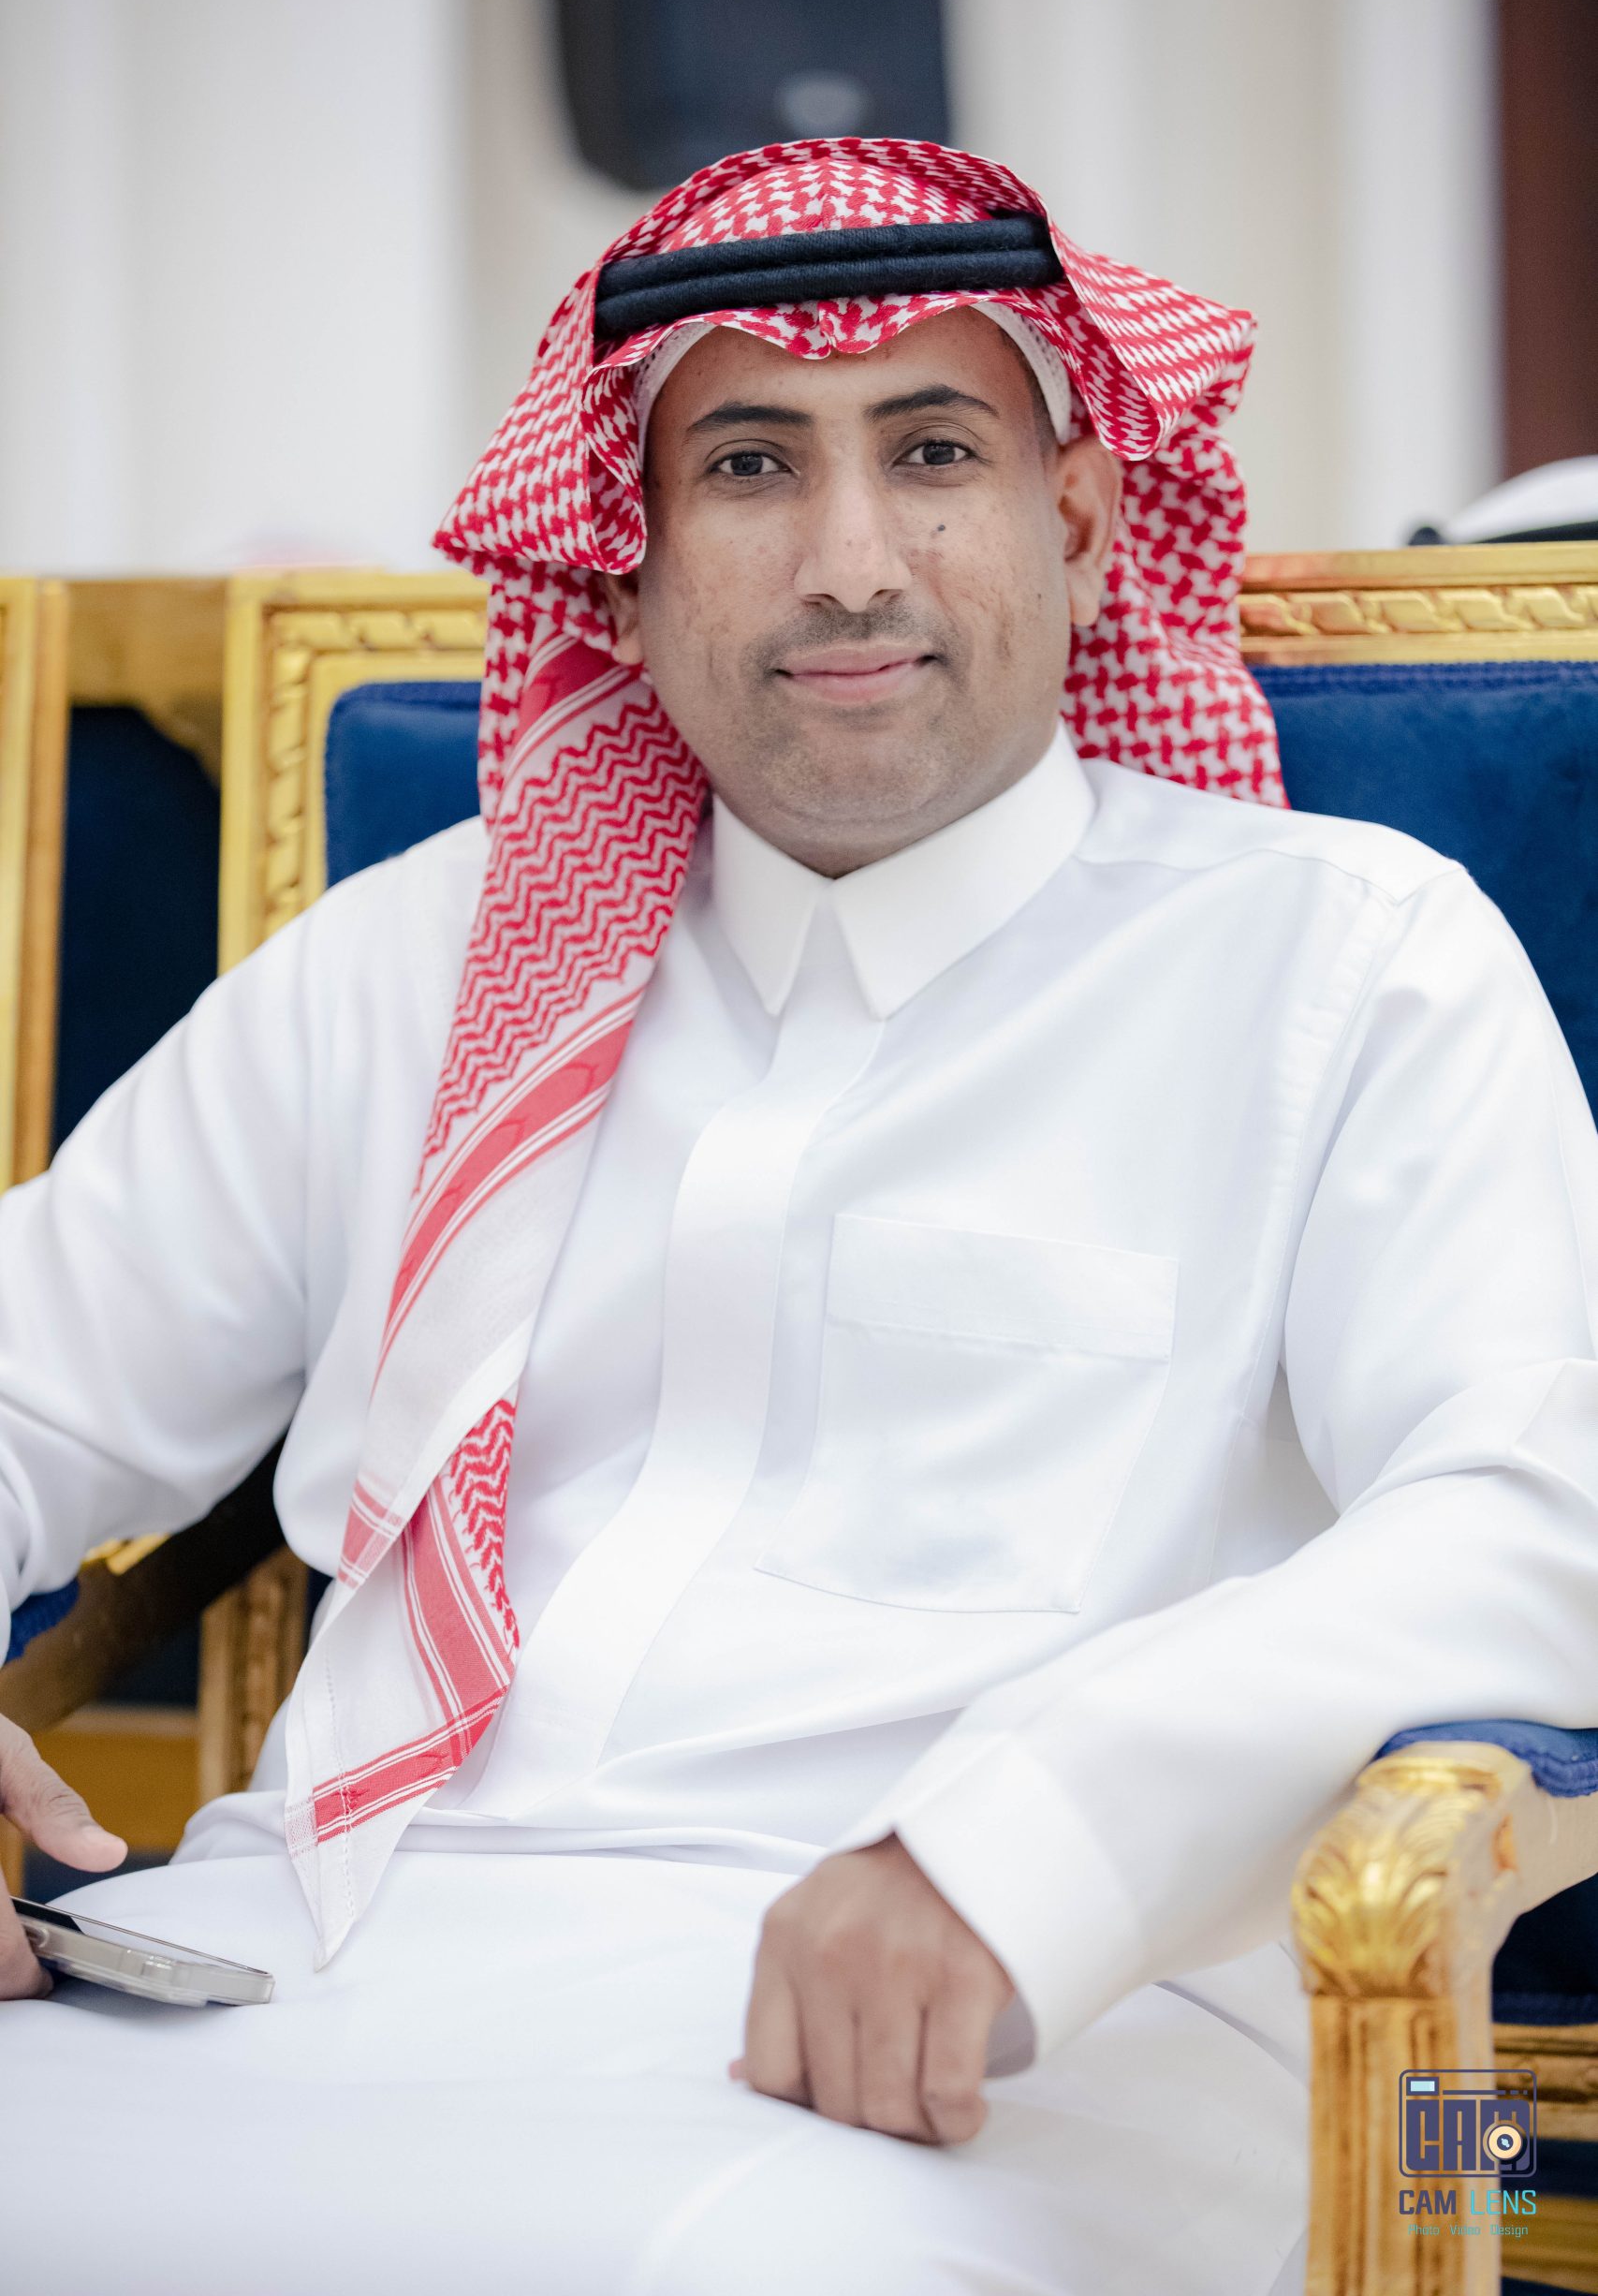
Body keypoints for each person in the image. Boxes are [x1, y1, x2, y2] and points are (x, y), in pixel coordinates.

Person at [1, 139, 1595, 2296]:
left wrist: (1025, 1839)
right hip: (303, 1958)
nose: (850, 562)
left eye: (932, 452)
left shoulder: (1343, 961)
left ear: (1081, 517)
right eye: (749, 465)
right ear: (624, 560)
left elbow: (1536, 1509)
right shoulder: (416, 961)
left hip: (1029, 2032)